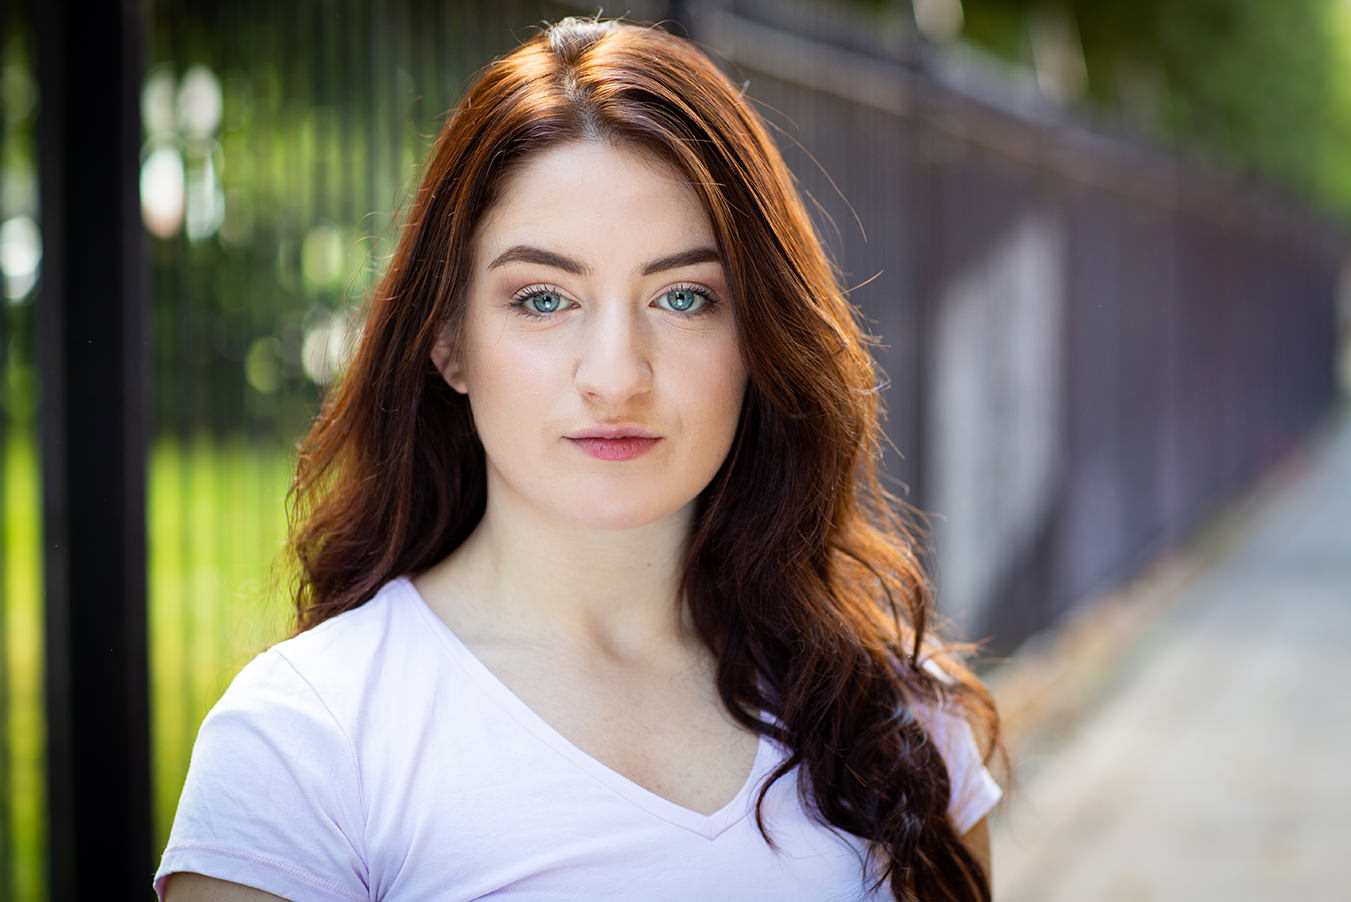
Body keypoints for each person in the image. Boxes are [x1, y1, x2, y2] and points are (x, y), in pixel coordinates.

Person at [155, 17, 1003, 902]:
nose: (614, 376)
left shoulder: (894, 717)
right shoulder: (305, 742)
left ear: (758, 336)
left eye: (682, 296)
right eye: (544, 298)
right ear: (447, 339)